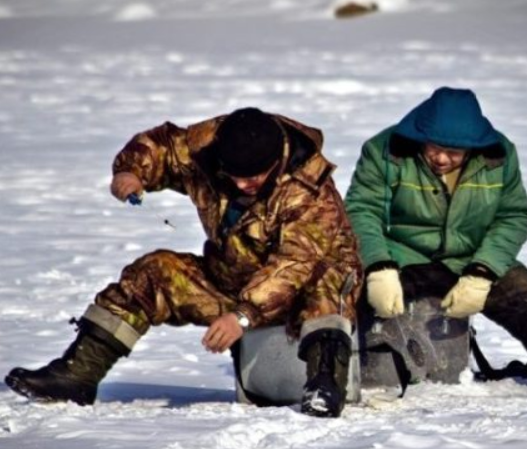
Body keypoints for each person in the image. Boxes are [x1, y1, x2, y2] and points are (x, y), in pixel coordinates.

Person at [5, 107, 362, 418]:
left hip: (303, 285)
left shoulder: (310, 191)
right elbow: (162, 146)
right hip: (234, 277)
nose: (242, 184)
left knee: (326, 282)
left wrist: (242, 316)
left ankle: (324, 384)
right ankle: (77, 375)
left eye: (253, 177)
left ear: (276, 162)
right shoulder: (206, 146)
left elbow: (295, 264)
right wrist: (132, 171)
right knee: (154, 273)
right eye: (234, 175)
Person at [345, 86, 527, 386]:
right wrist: (378, 266)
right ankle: (355, 362)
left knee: (522, 291)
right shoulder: (384, 150)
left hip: (470, 255)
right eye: (433, 148)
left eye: (453, 152)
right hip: (404, 254)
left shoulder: (500, 156)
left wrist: (482, 271)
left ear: (473, 148)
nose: (441, 159)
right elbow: (361, 211)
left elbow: (513, 216)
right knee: (366, 294)